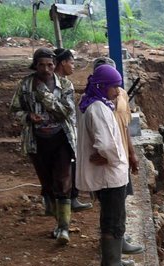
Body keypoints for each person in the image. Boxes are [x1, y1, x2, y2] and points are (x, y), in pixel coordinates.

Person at [76, 63, 138, 266]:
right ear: (103, 86)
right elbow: (106, 145)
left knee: (112, 216)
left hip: (108, 174)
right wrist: (114, 158)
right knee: (113, 219)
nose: (116, 91)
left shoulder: (93, 103)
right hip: (111, 176)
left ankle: (115, 259)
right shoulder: (99, 109)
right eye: (114, 87)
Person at [10, 47, 77, 244]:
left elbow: (66, 112)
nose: (46, 69)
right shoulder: (25, 85)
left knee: (63, 180)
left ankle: (64, 228)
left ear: (55, 65)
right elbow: (15, 110)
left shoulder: (65, 85)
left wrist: (44, 96)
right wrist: (28, 116)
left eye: (50, 65)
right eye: (41, 65)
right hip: (37, 140)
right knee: (47, 182)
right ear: (35, 65)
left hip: (61, 139)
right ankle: (58, 220)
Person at [92, 56, 142, 255]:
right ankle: (113, 255)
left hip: (119, 158)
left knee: (120, 201)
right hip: (108, 161)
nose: (114, 87)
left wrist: (131, 153)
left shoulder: (120, 96)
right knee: (111, 205)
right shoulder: (95, 104)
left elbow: (125, 126)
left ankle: (120, 240)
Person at [52, 47, 92, 213]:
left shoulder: (57, 82)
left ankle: (64, 199)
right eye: (71, 62)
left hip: (62, 130)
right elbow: (66, 110)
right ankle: (69, 199)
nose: (73, 66)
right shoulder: (61, 84)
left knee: (65, 166)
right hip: (61, 132)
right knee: (68, 166)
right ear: (63, 63)